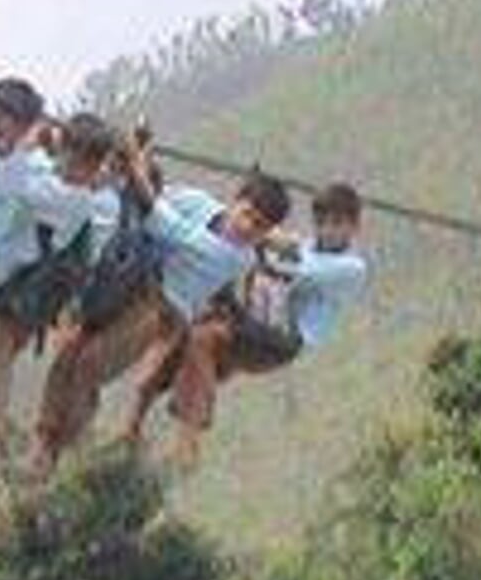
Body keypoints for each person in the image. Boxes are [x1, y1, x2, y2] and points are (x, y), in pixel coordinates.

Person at [33, 168, 294, 471]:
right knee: (69, 352)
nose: (247, 227)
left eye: (259, 227)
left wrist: (132, 162)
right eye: (247, 214)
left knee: (90, 366)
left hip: (161, 312)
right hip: (131, 285)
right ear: (235, 201)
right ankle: (45, 438)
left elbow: (163, 220)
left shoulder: (236, 257)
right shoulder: (197, 203)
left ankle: (64, 448)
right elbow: (154, 198)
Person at [0, 94, 123, 468]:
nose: (78, 167)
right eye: (73, 155)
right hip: (10, 288)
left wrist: (25, 146)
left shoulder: (74, 199)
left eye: (88, 161)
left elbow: (19, 189)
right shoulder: (53, 177)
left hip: (30, 295)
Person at [126, 182, 367, 469]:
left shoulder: (351, 267)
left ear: (354, 227)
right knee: (183, 339)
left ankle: (186, 446)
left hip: (281, 339)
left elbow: (300, 269)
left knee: (203, 339)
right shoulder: (303, 245)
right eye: (322, 222)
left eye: (337, 223)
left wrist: (263, 237)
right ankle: (132, 426)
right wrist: (266, 238)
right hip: (253, 320)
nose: (328, 230)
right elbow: (280, 254)